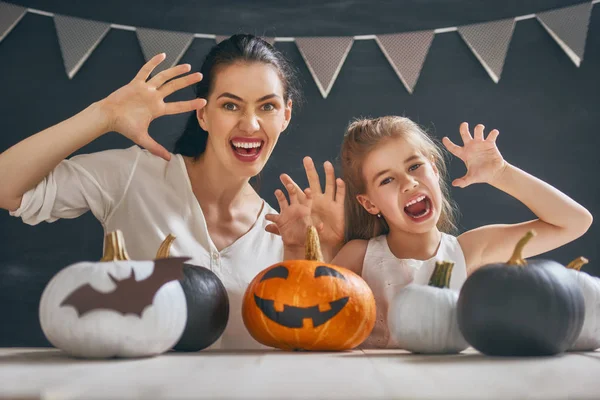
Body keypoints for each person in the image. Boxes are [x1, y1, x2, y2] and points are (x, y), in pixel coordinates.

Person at [0, 34, 343, 350]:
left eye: (267, 106)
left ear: (286, 115)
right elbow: (7, 187)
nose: (250, 124)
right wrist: (103, 116)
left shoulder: (285, 233)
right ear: (203, 114)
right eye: (230, 105)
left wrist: (303, 250)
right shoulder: (134, 176)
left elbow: (301, 343)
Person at [289, 115, 592, 349]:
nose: (409, 183)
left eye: (415, 166)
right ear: (369, 203)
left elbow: (573, 222)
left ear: (434, 169)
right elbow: (312, 320)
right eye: (386, 180)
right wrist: (313, 244)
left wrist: (501, 173)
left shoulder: (470, 250)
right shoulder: (358, 256)